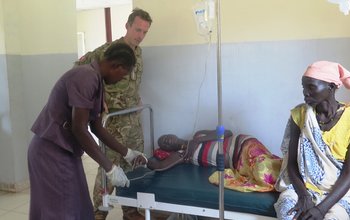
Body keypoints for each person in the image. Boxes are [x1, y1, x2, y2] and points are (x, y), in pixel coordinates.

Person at [27, 43, 147, 220]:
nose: (120, 80)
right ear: (115, 66)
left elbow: (96, 127)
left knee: (79, 205)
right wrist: (110, 167)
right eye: (122, 76)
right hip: (50, 150)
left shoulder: (96, 80)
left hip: (65, 150)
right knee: (62, 209)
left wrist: (126, 152)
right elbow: (79, 128)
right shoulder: (86, 77)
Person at [75, 8, 153, 220]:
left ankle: (130, 211)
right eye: (137, 29)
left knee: (133, 168)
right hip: (112, 125)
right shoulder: (109, 50)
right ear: (127, 26)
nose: (140, 35)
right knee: (107, 172)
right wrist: (97, 101)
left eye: (145, 32)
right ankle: (98, 214)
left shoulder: (138, 53)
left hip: (133, 122)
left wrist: (136, 99)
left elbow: (132, 83)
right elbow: (79, 70)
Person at [273, 61, 350, 220]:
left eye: (311, 87)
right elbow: (291, 163)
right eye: (303, 87)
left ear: (331, 87)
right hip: (303, 188)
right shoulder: (300, 115)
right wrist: (304, 196)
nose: (305, 93)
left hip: (339, 192)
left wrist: (321, 209)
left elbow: (348, 173)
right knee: (287, 214)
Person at [147, 129, 283, 192]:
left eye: (165, 136)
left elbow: (226, 132)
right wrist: (142, 159)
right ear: (168, 149)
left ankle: (290, 175)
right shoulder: (182, 155)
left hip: (243, 143)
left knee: (264, 164)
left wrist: (199, 140)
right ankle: (289, 180)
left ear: (173, 133)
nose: (165, 140)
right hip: (238, 161)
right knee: (263, 172)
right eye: (164, 143)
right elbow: (159, 166)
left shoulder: (198, 134)